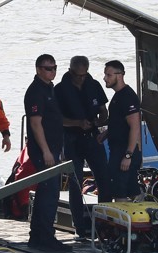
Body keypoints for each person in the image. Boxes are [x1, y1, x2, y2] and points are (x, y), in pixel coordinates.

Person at [55, 55, 110, 240]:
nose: (81, 78)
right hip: (71, 139)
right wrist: (77, 123)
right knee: (75, 183)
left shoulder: (93, 85)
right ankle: (80, 229)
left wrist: (98, 120)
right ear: (70, 71)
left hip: (92, 138)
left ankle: (104, 226)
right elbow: (57, 119)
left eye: (84, 75)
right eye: (77, 75)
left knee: (104, 178)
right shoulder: (60, 90)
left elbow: (104, 110)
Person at [24, 54, 71, 252]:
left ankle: (37, 236)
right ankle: (45, 236)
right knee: (50, 193)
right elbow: (35, 124)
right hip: (44, 150)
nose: (52, 71)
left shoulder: (49, 88)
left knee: (46, 191)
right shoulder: (36, 91)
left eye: (54, 68)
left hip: (53, 147)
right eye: (47, 68)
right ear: (38, 69)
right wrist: (46, 151)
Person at [102, 60, 142, 201]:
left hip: (124, 152)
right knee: (131, 190)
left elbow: (135, 126)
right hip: (117, 149)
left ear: (119, 75)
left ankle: (127, 221)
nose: (105, 78)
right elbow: (119, 122)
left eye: (108, 75)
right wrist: (105, 134)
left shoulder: (128, 96)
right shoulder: (117, 96)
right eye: (105, 74)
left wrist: (128, 156)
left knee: (120, 193)